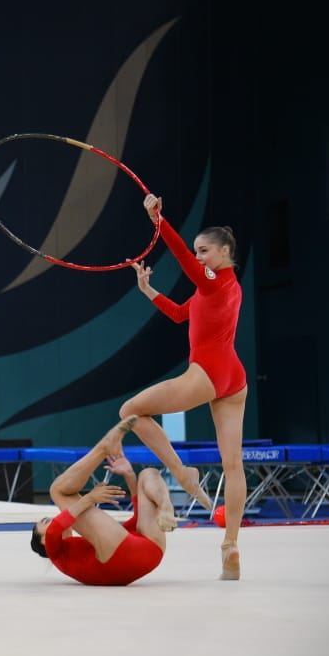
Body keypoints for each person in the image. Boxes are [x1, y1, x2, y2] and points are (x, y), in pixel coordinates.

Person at [125, 193, 247, 580]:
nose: (199, 258)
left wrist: (159, 221)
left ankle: (181, 473)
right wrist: (148, 291)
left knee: (130, 411)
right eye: (197, 252)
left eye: (205, 251)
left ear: (225, 252)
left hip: (208, 370)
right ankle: (230, 544)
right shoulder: (220, 287)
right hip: (234, 378)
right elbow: (181, 314)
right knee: (233, 465)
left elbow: (181, 258)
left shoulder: (214, 282)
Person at [30, 416, 173, 586]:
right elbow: (55, 530)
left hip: (150, 551)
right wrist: (90, 498)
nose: (54, 519)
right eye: (46, 521)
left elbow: (137, 522)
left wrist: (129, 476)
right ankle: (103, 449)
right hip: (123, 558)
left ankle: (165, 506)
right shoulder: (56, 553)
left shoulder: (82, 545)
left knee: (148, 474)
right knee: (58, 491)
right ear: (44, 542)